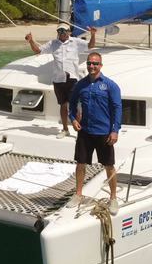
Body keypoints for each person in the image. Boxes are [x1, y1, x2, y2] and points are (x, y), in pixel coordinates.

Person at [67, 52, 121, 215]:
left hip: (104, 132)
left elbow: (117, 108)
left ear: (101, 66)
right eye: (90, 63)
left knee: (109, 165)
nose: (92, 66)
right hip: (85, 131)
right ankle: (78, 194)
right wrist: (73, 119)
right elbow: (72, 104)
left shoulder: (110, 85)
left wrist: (115, 130)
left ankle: (113, 198)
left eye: (95, 64)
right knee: (80, 163)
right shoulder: (80, 85)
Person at [25, 22, 97, 138]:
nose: (62, 33)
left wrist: (93, 34)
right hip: (58, 79)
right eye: (60, 31)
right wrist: (31, 41)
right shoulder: (53, 43)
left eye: (64, 31)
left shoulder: (76, 42)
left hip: (72, 79)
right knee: (63, 105)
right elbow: (38, 51)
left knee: (74, 106)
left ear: (68, 31)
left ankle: (80, 132)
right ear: (57, 32)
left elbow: (90, 46)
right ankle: (65, 129)